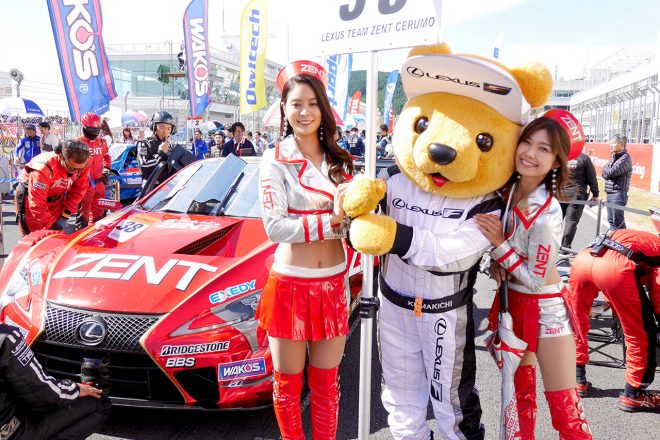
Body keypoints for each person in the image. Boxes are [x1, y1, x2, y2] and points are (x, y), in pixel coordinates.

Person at [475, 110, 592, 439]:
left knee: (567, 414)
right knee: (517, 404)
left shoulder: (547, 211)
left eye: (544, 149)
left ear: (556, 161)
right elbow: (501, 256)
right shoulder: (507, 192)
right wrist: (495, 262)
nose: (530, 153)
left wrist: (499, 247)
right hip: (513, 305)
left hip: (546, 310)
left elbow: (536, 280)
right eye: (527, 142)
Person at [257, 60, 354, 440]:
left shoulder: (341, 162)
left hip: (333, 283)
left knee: (328, 385)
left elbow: (353, 228)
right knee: (287, 386)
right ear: (284, 107)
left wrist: (361, 217)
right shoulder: (274, 159)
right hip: (291, 285)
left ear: (324, 109)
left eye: (313, 104)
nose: (305, 112)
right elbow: (275, 227)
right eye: (296, 104)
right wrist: (332, 220)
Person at [566, 227, 659, 412]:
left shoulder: (644, 237)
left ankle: (576, 378)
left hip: (583, 259)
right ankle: (634, 394)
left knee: (577, 321)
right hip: (614, 268)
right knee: (640, 332)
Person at [0, 324, 111, 439]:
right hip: (9, 433)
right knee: (100, 402)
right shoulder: (6, 337)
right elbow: (42, 393)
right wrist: (74, 389)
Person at [14, 139, 90, 236]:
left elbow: (78, 190)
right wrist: (52, 225)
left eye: (80, 169)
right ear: (61, 157)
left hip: (57, 199)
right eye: (71, 168)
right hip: (30, 200)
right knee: (36, 237)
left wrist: (66, 214)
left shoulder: (83, 163)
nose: (76, 172)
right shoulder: (43, 168)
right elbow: (37, 204)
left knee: (58, 235)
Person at [560, 151, 599, 249]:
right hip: (576, 195)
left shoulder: (561, 155)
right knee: (571, 222)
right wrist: (595, 194)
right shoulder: (584, 158)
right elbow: (592, 177)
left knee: (556, 220)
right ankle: (565, 248)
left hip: (560, 193)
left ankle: (550, 244)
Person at [78, 112, 111, 224]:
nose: (95, 132)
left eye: (97, 129)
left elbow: (107, 157)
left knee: (100, 216)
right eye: (92, 129)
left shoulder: (102, 142)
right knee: (83, 219)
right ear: (84, 127)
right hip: (84, 186)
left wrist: (107, 170)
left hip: (100, 184)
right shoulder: (77, 143)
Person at [136, 111, 177, 183]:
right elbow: (143, 167)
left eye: (168, 129)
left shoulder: (170, 145)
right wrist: (160, 153)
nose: (165, 132)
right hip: (152, 186)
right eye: (162, 128)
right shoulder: (144, 143)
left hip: (168, 185)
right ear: (154, 127)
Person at [602, 134, 632, 230]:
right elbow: (603, 173)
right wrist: (607, 172)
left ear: (622, 144)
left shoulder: (625, 158)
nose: (611, 145)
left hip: (618, 194)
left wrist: (607, 172)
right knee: (611, 221)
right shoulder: (614, 157)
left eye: (613, 143)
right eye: (610, 143)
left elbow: (611, 173)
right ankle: (614, 239)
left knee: (618, 222)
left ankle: (624, 239)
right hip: (610, 193)